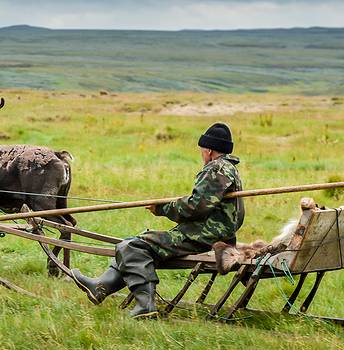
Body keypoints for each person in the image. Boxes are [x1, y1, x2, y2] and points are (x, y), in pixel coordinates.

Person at [72, 123, 245, 319]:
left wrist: (163, 208)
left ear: (209, 149)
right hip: (211, 234)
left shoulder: (216, 169)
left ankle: (146, 306)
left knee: (133, 246)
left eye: (202, 150)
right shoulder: (230, 169)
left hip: (202, 237)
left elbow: (197, 206)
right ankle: (100, 287)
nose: (201, 154)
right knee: (131, 241)